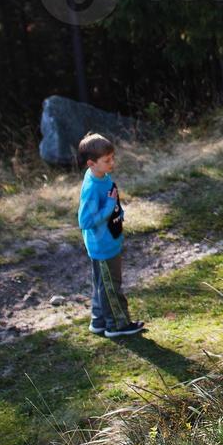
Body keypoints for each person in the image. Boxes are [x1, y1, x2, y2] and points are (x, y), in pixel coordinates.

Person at [77, 132, 145, 337]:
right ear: (91, 163)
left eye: (112, 158)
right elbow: (85, 221)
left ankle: (98, 321)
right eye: (107, 160)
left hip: (110, 240)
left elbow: (111, 200)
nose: (112, 163)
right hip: (102, 246)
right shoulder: (91, 187)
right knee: (111, 286)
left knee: (103, 284)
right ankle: (117, 325)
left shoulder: (102, 176)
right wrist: (108, 207)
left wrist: (117, 211)